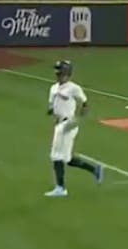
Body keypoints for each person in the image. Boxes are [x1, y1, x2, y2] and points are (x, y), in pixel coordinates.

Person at [45, 60, 103, 197]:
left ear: (67, 73)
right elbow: (52, 106)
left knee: (56, 156)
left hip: (68, 124)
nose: (58, 75)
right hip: (59, 124)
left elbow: (85, 104)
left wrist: (79, 119)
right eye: (57, 72)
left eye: (60, 72)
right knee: (67, 159)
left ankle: (61, 188)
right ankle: (95, 170)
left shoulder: (74, 88)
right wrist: (52, 112)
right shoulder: (53, 88)